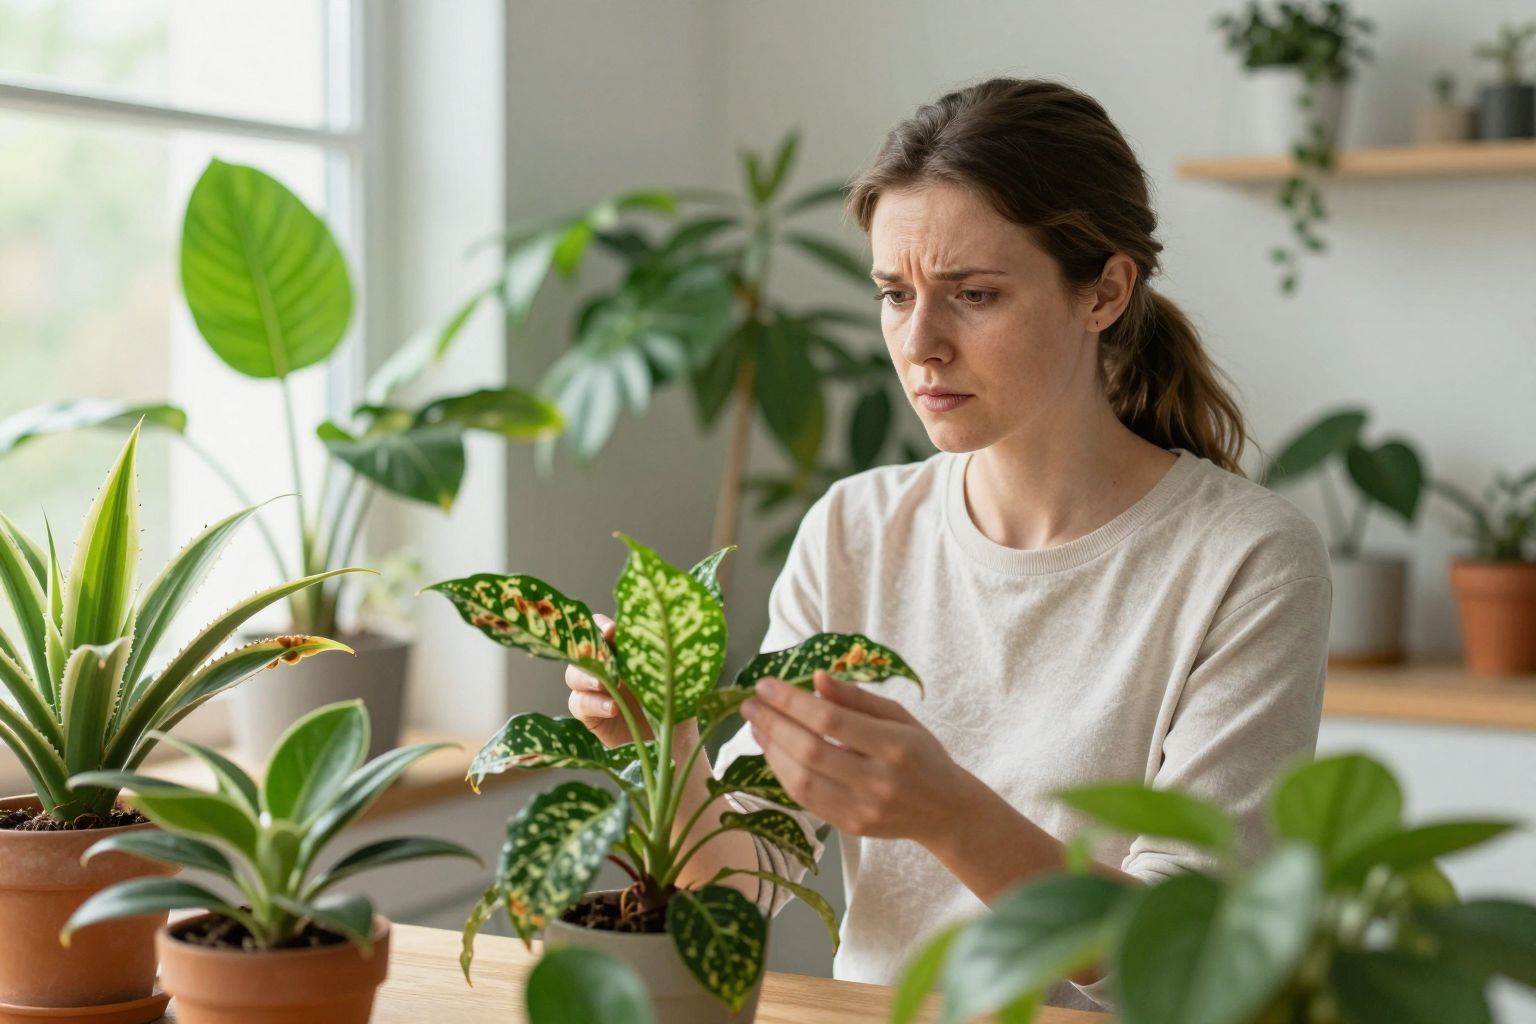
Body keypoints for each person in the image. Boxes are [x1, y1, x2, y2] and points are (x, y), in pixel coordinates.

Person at [565, 76, 1331, 1011]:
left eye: (973, 294)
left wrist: (953, 815)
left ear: (1105, 292)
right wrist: (668, 743)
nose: (920, 342)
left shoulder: (1248, 560)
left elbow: (1188, 949)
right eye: (895, 294)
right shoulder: (853, 531)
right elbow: (746, 884)